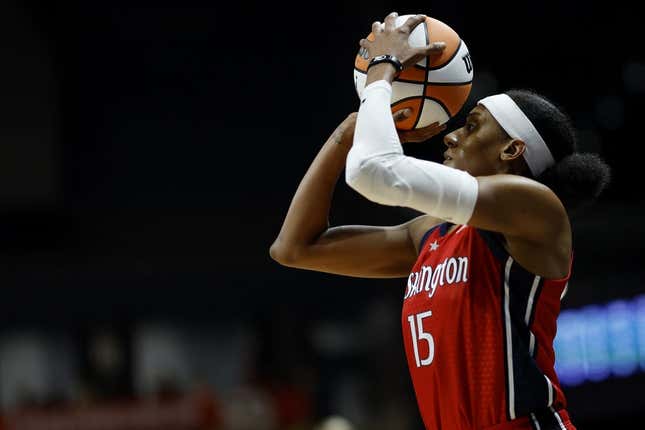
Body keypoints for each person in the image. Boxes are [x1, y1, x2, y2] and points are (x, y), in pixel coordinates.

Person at [270, 12, 611, 430]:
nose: (450, 135)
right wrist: (352, 129)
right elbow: (294, 248)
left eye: (472, 126)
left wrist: (383, 71)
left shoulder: (536, 208)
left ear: (511, 149)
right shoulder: (430, 232)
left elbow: (376, 173)